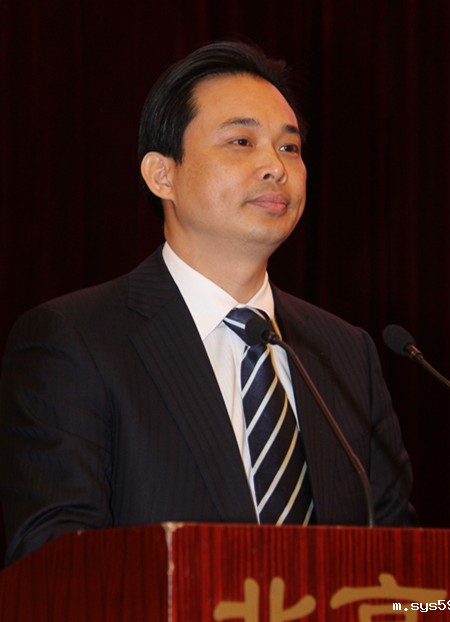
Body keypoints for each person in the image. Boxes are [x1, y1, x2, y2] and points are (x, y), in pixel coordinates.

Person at [0, 41, 416, 566]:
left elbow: (401, 565)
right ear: (162, 175)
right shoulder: (76, 340)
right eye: (241, 141)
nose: (275, 167)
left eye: (289, 148)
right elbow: (54, 565)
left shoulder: (345, 352)